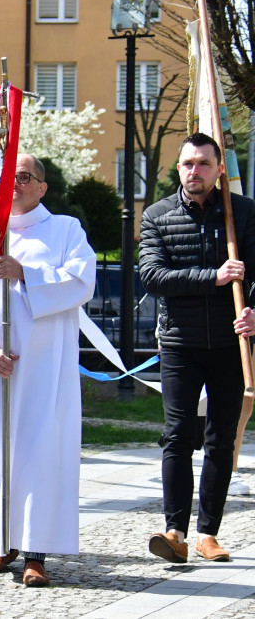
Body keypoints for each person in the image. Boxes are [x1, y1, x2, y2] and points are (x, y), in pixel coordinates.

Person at [0, 154, 95, 587]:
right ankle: (2, 542)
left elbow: (82, 281)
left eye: (24, 176)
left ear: (42, 188)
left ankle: (35, 553)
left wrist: (26, 273)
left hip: (46, 370)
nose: (13, 183)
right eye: (5, 176)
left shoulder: (65, 230)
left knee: (40, 453)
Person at [138, 132, 255, 564]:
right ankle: (175, 532)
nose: (195, 171)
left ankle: (208, 534)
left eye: (204, 163)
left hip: (229, 342)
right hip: (180, 344)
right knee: (177, 435)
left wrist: (254, 314)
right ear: (179, 167)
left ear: (219, 169)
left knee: (221, 439)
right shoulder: (157, 215)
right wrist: (214, 277)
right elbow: (152, 276)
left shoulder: (243, 213)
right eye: (188, 163)